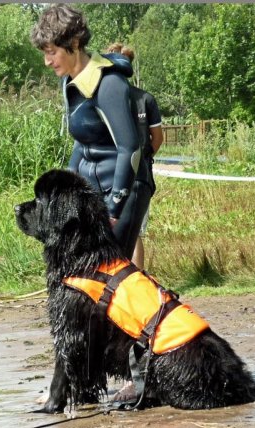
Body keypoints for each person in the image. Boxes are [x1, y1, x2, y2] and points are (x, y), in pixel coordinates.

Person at [30, 4, 157, 270]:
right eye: (45, 53)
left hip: (126, 187)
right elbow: (82, 143)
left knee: (110, 272)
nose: (47, 61)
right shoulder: (68, 82)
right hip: (93, 190)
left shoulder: (109, 84)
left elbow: (130, 149)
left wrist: (113, 209)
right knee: (85, 271)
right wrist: (65, 192)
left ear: (74, 43)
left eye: (52, 52)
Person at [105, 42, 164, 270]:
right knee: (135, 230)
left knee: (116, 227)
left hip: (113, 174)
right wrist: (143, 161)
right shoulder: (145, 98)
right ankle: (134, 278)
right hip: (137, 175)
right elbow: (156, 140)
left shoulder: (107, 97)